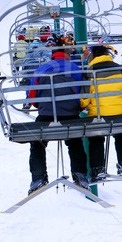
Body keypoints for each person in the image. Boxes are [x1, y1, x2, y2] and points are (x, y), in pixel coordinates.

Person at [26, 42, 89, 194]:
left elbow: (32, 96)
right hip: (70, 114)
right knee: (75, 141)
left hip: (46, 115)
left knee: (37, 142)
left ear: (52, 55)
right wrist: (78, 107)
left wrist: (40, 106)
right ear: (67, 55)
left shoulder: (42, 69)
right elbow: (83, 92)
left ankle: (38, 178)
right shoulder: (76, 69)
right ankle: (80, 175)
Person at [80, 45, 122, 181]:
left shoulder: (89, 73)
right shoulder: (120, 70)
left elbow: (84, 98)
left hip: (98, 114)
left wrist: (87, 105)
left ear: (92, 56)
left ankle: (97, 168)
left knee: (96, 137)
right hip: (121, 112)